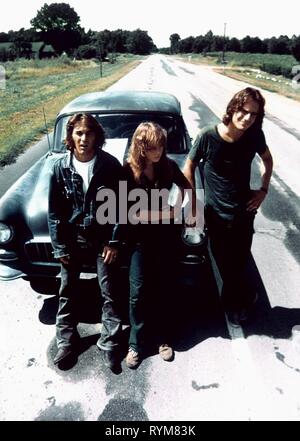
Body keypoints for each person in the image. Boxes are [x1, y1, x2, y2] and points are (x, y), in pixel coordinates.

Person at [183, 87, 273, 326]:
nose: (247, 118)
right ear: (233, 109)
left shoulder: (254, 136)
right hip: (216, 215)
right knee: (225, 264)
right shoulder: (207, 136)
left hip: (244, 214)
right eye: (244, 111)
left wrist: (263, 190)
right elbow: (188, 168)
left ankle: (238, 300)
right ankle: (236, 305)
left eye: (253, 115)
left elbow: (267, 159)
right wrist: (194, 204)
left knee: (240, 262)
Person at [48, 113, 124, 371]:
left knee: (109, 292)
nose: (83, 138)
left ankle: (110, 343)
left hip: (102, 240)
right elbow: (54, 211)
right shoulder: (59, 167)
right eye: (78, 133)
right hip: (72, 240)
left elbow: (120, 207)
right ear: (70, 136)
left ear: (96, 136)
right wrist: (59, 247)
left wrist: (113, 242)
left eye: (88, 133)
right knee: (67, 291)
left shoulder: (110, 166)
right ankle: (66, 342)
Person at [123, 121, 196, 368]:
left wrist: (183, 209)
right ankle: (135, 344)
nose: (158, 152)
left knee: (165, 289)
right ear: (141, 147)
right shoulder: (129, 171)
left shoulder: (168, 166)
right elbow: (133, 214)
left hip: (166, 239)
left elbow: (187, 186)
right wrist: (169, 214)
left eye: (161, 147)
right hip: (139, 242)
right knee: (138, 293)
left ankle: (163, 339)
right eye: (153, 148)